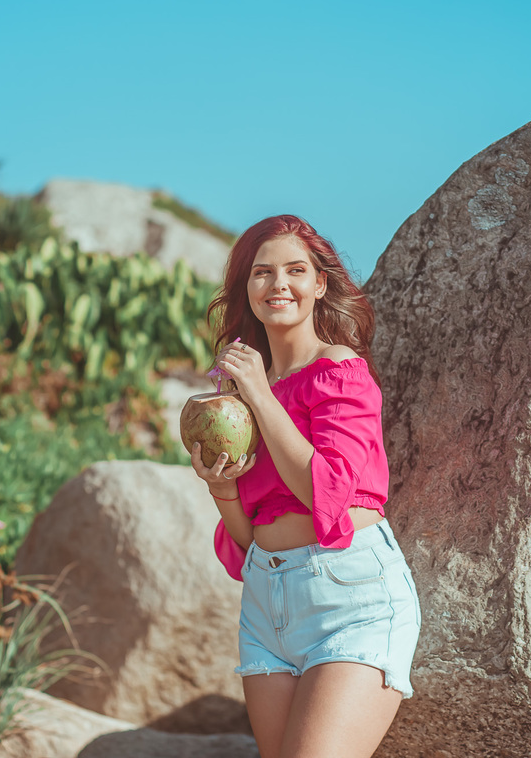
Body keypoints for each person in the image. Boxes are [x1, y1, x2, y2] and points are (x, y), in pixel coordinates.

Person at [188, 214, 421, 758]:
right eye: (262, 273)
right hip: (268, 604)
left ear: (319, 284)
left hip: (352, 600)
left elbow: (328, 492)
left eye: (296, 270)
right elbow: (248, 541)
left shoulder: (341, 371)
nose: (279, 284)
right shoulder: (240, 396)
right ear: (247, 288)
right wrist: (221, 488)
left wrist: (261, 396)